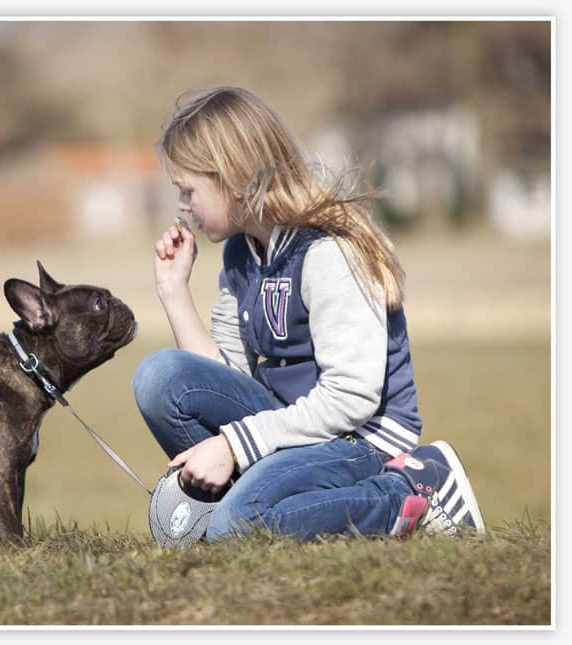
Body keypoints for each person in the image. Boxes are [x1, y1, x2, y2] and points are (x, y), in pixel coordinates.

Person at [132, 86, 485, 542]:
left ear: (232, 177)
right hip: (296, 424)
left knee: (237, 527)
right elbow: (222, 378)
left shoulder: (328, 252)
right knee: (159, 377)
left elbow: (351, 398)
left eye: (188, 190)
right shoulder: (241, 253)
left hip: (361, 438)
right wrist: (173, 290)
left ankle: (411, 491)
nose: (183, 205)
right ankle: (247, 503)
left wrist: (234, 445)